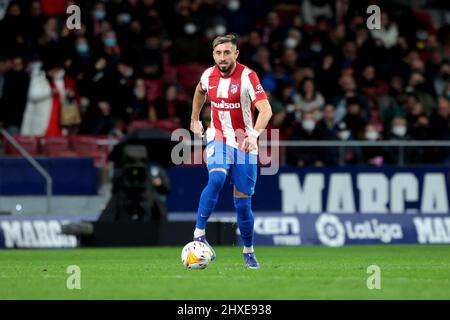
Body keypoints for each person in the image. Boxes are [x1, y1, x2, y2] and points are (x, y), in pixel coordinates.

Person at [190, 34, 272, 269]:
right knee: (216, 177)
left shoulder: (248, 76)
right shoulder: (208, 75)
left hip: (245, 142)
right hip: (218, 137)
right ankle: (199, 234)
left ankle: (248, 251)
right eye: (218, 53)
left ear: (236, 54)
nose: (222, 57)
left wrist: (254, 134)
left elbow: (265, 110)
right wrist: (194, 118)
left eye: (227, 52)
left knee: (243, 204)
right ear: (213, 54)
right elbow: (199, 91)